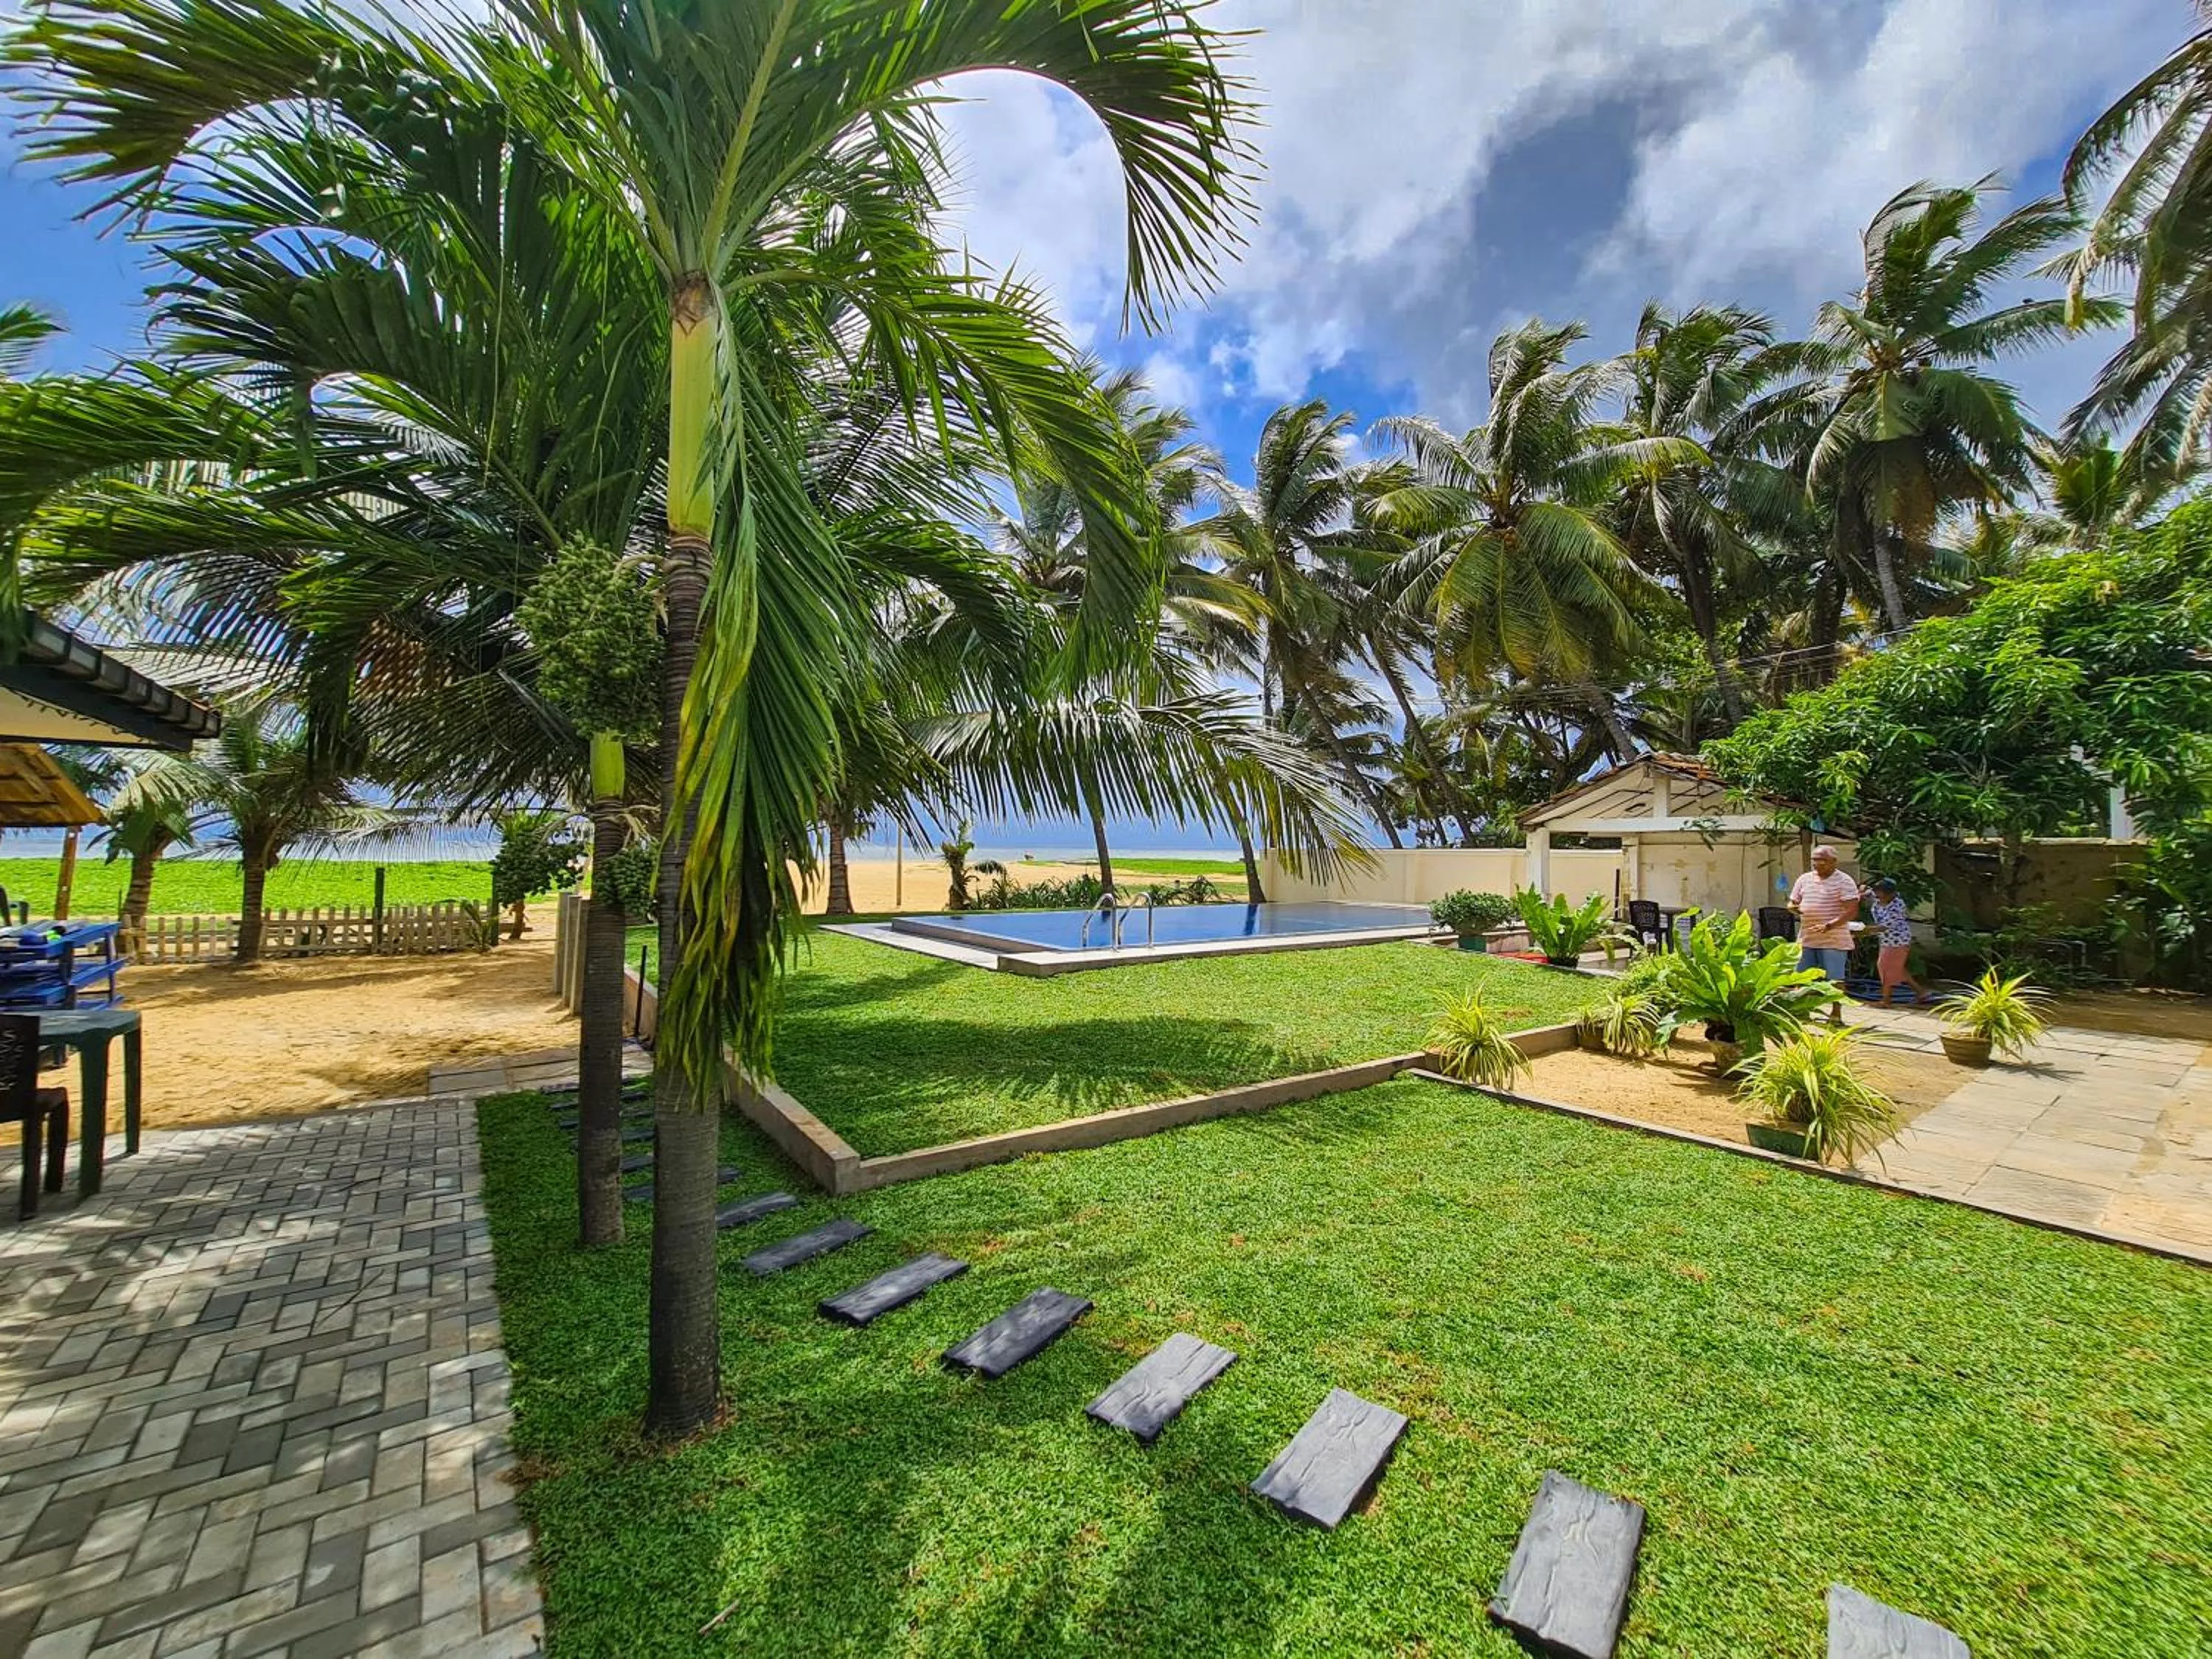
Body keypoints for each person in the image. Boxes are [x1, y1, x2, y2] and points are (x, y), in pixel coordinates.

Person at [1787, 844, 1859, 1023]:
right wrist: (1793, 908)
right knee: (1801, 977)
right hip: (1808, 937)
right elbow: (1792, 902)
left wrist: (1829, 925)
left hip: (1833, 939)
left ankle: (1836, 1014)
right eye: (1815, 860)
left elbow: (1852, 911)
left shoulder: (1844, 881)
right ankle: (1801, 1013)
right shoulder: (1804, 879)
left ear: (1834, 862)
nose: (1817, 864)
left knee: (1834, 979)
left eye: (1822, 860)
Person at [1865, 877, 1921, 1007]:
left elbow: (1884, 926)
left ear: (1892, 894)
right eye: (1877, 895)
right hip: (1886, 940)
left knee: (1885, 968)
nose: (1879, 898)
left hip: (1897, 941)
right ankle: (1921, 992)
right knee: (1896, 968)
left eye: (1882, 896)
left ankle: (1886, 1000)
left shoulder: (1897, 907)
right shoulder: (1877, 896)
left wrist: (1862, 930)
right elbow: (1866, 892)